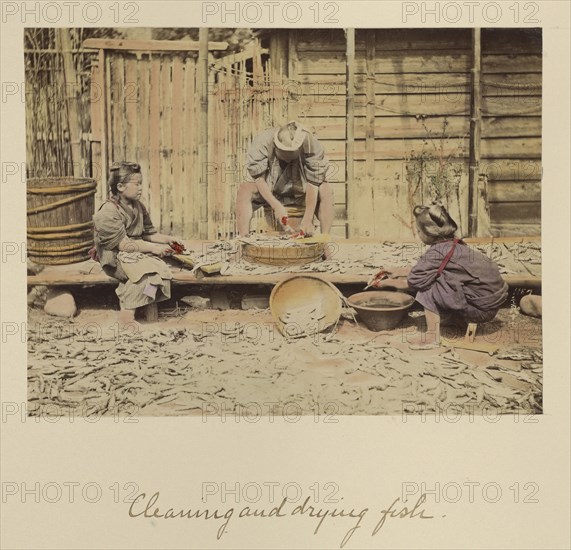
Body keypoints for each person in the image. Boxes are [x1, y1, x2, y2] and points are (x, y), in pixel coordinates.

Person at [372, 202, 509, 349]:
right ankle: (455, 319)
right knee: (436, 278)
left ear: (429, 232)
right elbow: (427, 268)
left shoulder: (437, 252)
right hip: (492, 305)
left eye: (418, 231)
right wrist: (396, 271)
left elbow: (414, 282)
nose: (417, 234)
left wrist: (383, 284)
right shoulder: (453, 243)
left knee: (427, 286)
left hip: (481, 311)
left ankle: (432, 337)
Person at [93, 162, 184, 326]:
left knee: (161, 275)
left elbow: (149, 234)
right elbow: (124, 245)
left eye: (141, 183)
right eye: (137, 184)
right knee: (144, 277)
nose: (141, 188)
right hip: (115, 258)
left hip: (136, 253)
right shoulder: (108, 211)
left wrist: (168, 240)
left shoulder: (138, 206)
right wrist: (155, 249)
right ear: (120, 186)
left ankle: (143, 301)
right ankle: (127, 316)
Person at [236, 121, 335, 237]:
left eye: (292, 155)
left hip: (302, 189)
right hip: (272, 188)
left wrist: (308, 219)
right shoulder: (262, 141)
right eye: (284, 154)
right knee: (245, 189)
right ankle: (243, 241)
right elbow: (259, 179)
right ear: (275, 146)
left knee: (326, 189)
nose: (288, 159)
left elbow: (314, 183)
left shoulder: (311, 143)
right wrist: (276, 206)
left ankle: (324, 241)